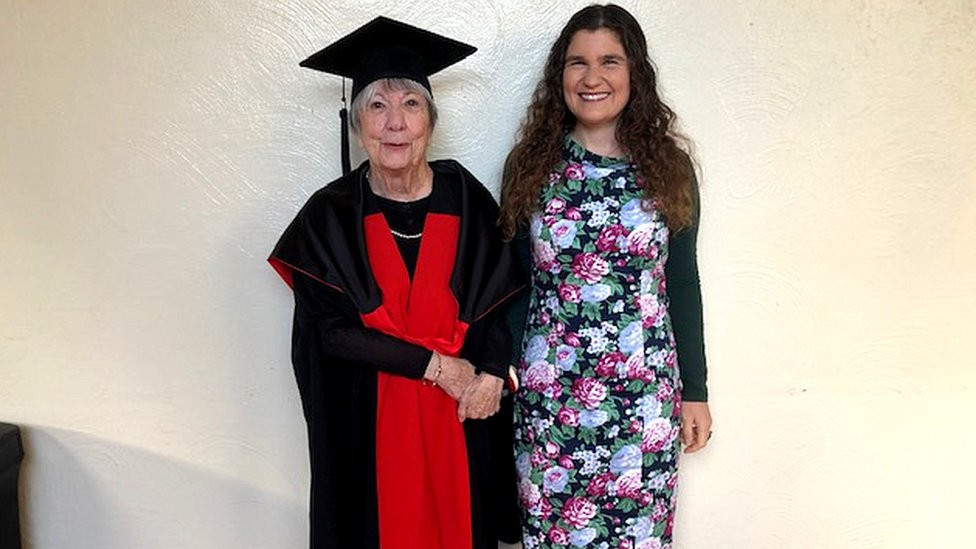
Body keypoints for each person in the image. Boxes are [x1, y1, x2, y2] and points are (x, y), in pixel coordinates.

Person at [268, 16, 523, 549]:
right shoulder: (330, 216)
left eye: (410, 105)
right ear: (358, 125)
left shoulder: (467, 198)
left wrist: (494, 372)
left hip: (461, 423)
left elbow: (499, 302)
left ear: (430, 119)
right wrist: (435, 367)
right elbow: (331, 334)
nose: (394, 123)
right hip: (370, 426)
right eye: (377, 107)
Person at [499, 4, 712, 547]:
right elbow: (514, 280)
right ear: (560, 75)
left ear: (633, 72)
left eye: (609, 61)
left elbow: (682, 283)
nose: (592, 78)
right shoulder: (532, 165)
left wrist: (695, 391)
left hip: (643, 399)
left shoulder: (668, 166)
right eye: (577, 63)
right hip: (552, 397)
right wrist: (510, 369)